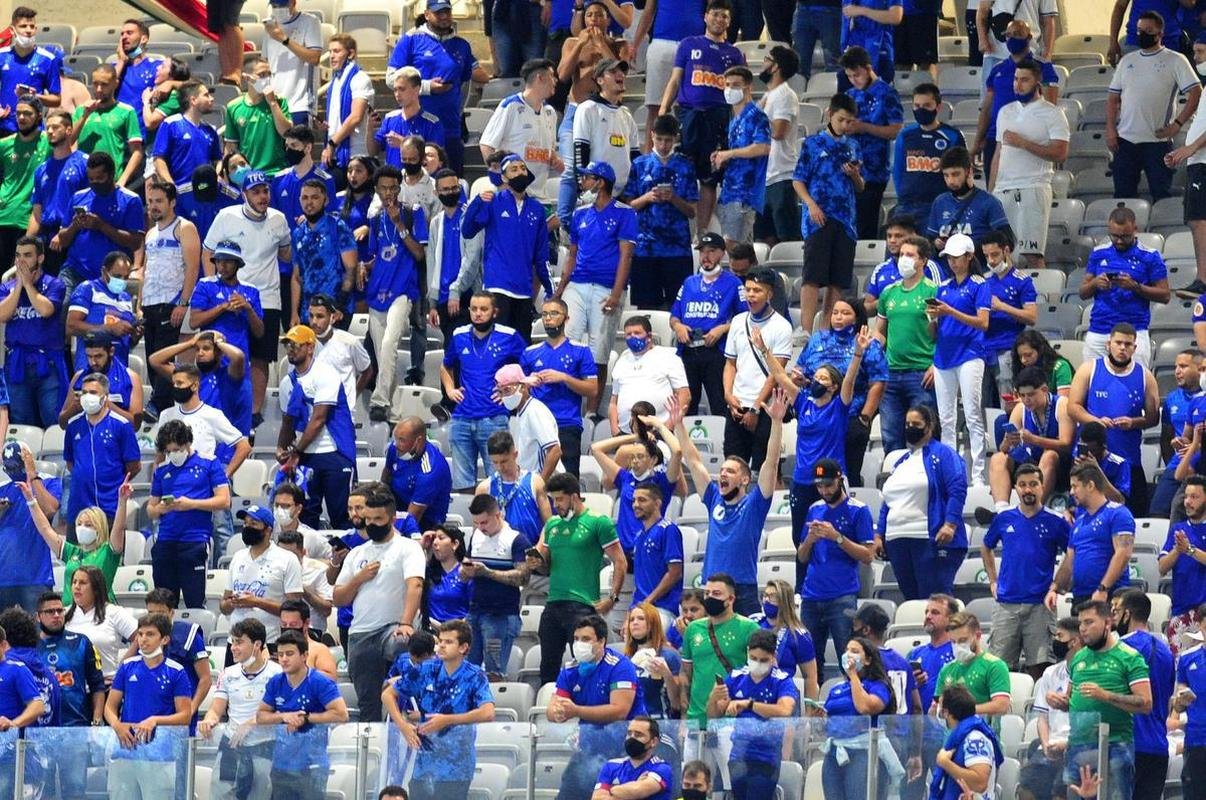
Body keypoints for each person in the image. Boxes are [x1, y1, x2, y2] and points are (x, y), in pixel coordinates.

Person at [679, 389, 788, 614]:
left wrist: (776, 422)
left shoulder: (755, 504)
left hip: (742, 590)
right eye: (721, 471)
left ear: (745, 479)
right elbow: (693, 460)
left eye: (730, 471)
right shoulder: (713, 498)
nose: (723, 475)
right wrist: (679, 425)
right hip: (711, 588)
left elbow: (771, 462)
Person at [204, 170, 292, 420]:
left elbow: (286, 254)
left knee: (261, 356)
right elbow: (208, 250)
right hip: (232, 296)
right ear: (244, 195)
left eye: (265, 191)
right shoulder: (226, 216)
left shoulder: (279, 219)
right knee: (225, 352)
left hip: (267, 298)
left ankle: (254, 412)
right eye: (256, 192)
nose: (263, 196)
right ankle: (223, 404)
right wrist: (215, 288)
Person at [333, 488, 425, 723]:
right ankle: (371, 745)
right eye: (369, 519)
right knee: (368, 702)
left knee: (403, 652)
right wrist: (359, 578)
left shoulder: (408, 547)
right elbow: (339, 598)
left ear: (392, 519)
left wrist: (406, 622)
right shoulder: (357, 553)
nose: (372, 524)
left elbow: (415, 585)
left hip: (393, 627)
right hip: (361, 633)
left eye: (378, 519)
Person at [759, 320, 862, 527]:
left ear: (833, 386)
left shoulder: (839, 407)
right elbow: (780, 375)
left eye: (823, 378)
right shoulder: (803, 403)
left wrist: (858, 354)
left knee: (833, 533)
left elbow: (849, 380)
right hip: (802, 480)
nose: (817, 380)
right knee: (800, 538)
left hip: (831, 480)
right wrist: (764, 350)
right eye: (815, 376)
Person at [527, 473, 627, 684]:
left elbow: (620, 561)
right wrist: (536, 563)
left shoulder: (598, 522)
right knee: (548, 668)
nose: (556, 505)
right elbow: (546, 567)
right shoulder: (552, 525)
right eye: (553, 500)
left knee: (586, 665)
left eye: (560, 499)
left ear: (574, 497)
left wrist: (612, 597)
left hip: (582, 606)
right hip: (553, 603)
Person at [554, 160, 637, 410]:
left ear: (600, 182)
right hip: (577, 285)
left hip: (605, 288)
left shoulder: (625, 212)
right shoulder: (580, 213)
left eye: (588, 178)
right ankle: (566, 405)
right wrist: (559, 291)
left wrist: (616, 294)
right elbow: (571, 255)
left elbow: (626, 256)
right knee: (567, 343)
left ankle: (591, 412)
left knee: (598, 352)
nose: (583, 182)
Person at [382, 619, 496, 800]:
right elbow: (388, 695)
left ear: (463, 647)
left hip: (456, 765)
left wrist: (448, 719)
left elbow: (488, 712)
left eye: (448, 642)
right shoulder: (426, 669)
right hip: (423, 763)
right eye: (440, 641)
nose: (441, 646)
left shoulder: (474, 675)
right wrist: (403, 725)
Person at [655, 0, 744, 232]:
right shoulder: (688, 45)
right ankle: (675, 225)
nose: (719, 19)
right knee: (680, 170)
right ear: (705, 16)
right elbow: (675, 80)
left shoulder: (735, 53)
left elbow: (740, 94)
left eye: (724, 16)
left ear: (729, 21)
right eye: (715, 14)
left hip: (718, 118)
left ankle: (701, 233)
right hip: (689, 115)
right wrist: (663, 111)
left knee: (709, 178)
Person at [980, 464, 1070, 676]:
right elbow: (986, 546)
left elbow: (1073, 554)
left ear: (1042, 486)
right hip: (1006, 604)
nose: (1028, 490)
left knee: (1040, 668)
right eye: (1022, 485)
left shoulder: (1056, 521)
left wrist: (1056, 587)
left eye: (1033, 484)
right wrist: (993, 581)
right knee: (999, 668)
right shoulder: (1003, 518)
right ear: (1015, 488)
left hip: (1040, 605)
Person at [1067, 322, 1161, 515]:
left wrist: (1133, 422)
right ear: (1109, 344)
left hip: (1128, 460)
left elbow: (1153, 418)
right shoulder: (1089, 369)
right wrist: (1095, 421)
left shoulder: (1145, 376)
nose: (1122, 348)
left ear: (1135, 348)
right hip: (1090, 460)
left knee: (1132, 517)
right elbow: (1073, 407)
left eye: (1128, 344)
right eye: (1118, 343)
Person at [876, 404, 968, 600]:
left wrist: (950, 524)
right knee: (912, 601)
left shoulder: (944, 454)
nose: (910, 427)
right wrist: (879, 534)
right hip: (897, 541)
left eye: (916, 424)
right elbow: (887, 502)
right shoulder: (900, 461)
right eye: (907, 424)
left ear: (929, 426)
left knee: (936, 601)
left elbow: (957, 489)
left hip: (929, 539)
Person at [550, 614, 646, 800]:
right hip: (588, 749)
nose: (579, 644)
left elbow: (620, 710)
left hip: (625, 749)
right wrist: (557, 711)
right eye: (576, 639)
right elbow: (552, 709)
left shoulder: (620, 666)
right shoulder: (570, 669)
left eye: (586, 639)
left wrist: (575, 710)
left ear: (602, 641)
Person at [1107, 11, 1201, 201]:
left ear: (1160, 34)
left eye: (1149, 31)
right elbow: (1113, 98)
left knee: (1162, 195)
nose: (1143, 34)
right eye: (1140, 30)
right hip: (1125, 141)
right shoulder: (1127, 61)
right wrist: (1110, 128)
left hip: (1157, 142)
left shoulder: (1175, 60)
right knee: (1123, 197)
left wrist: (1177, 124)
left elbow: (1196, 91)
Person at [1064, 600, 1152, 800]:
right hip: (1078, 745)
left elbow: (1146, 703)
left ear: (1108, 623)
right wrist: (1059, 701)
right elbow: (1070, 698)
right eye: (1081, 624)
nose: (1083, 629)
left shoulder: (1129, 657)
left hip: (1114, 745)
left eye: (1089, 622)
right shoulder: (1078, 658)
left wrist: (1106, 696)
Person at [793, 93, 863, 341]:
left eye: (849, 122)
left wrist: (854, 175)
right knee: (812, 276)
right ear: (829, 114)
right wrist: (811, 205)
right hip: (818, 218)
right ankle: (805, 330)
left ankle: (825, 332)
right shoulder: (812, 144)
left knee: (837, 281)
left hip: (846, 221)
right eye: (841, 119)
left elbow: (860, 187)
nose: (845, 125)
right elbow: (798, 180)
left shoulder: (853, 146)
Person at [988, 59, 1069, 269]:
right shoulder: (1006, 111)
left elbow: (1060, 153)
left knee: (1031, 253)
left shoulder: (1052, 113)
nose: (1018, 84)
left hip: (1033, 186)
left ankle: (1039, 297)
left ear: (1037, 82)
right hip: (1003, 189)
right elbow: (999, 152)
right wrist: (991, 191)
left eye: (1024, 80)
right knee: (1002, 254)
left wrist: (1024, 143)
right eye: (1016, 79)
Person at [441, 293, 527, 490]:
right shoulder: (459, 334)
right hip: (461, 418)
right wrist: (450, 389)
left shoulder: (509, 336)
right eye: (474, 309)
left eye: (484, 309)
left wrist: (512, 392)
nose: (478, 314)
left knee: (499, 483)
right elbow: (446, 366)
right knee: (462, 485)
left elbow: (528, 368)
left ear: (494, 312)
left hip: (494, 418)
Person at [460, 154, 553, 337]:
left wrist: (551, 290)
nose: (520, 172)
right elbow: (468, 231)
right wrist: (476, 202)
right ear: (503, 177)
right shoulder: (493, 202)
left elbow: (541, 255)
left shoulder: (537, 209)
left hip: (524, 291)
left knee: (521, 349)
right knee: (498, 347)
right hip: (497, 287)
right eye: (514, 169)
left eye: (522, 168)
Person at [103, 613, 193, 800]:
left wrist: (155, 720)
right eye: (141, 634)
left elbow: (185, 716)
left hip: (159, 754)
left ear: (165, 639)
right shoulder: (126, 667)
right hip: (125, 751)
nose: (143, 639)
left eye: (150, 634)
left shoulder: (177, 672)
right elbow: (109, 708)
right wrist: (117, 725)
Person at [796, 459, 876, 670]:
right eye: (819, 486)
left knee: (848, 659)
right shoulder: (814, 509)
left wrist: (837, 537)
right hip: (811, 595)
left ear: (840, 479)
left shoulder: (858, 510)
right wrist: (810, 540)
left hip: (842, 595)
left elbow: (868, 555)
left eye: (829, 485)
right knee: (810, 662)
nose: (824, 490)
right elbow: (802, 557)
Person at [276, 325, 358, 528]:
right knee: (305, 516)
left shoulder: (326, 374)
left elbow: (319, 418)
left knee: (342, 515)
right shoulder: (288, 382)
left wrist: (296, 451)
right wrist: (281, 447)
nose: (290, 349)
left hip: (333, 452)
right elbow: (288, 419)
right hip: (305, 456)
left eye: (295, 345)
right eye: (288, 345)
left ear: (310, 347)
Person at [593, 413, 683, 594]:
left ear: (653, 460)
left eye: (640, 456)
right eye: (632, 457)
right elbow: (596, 448)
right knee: (619, 616)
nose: (634, 461)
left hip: (648, 555)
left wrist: (659, 426)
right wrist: (636, 437)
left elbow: (678, 452)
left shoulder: (662, 482)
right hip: (622, 558)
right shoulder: (625, 478)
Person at [256, 630, 350, 800]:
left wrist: (306, 718)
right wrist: (284, 716)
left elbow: (342, 714)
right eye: (281, 654)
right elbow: (261, 716)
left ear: (305, 655)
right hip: (280, 765)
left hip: (312, 765)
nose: (284, 659)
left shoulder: (319, 681)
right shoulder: (276, 682)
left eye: (290, 654)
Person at [706, 628, 799, 799]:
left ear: (773, 656)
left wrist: (749, 704)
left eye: (763, 660)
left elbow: (784, 710)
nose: (757, 663)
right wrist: (714, 698)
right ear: (748, 652)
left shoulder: (782, 680)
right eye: (754, 658)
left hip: (766, 756)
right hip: (738, 755)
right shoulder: (735, 676)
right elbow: (714, 714)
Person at [148, 420, 231, 609]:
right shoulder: (162, 471)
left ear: (187, 443)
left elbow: (224, 500)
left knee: (194, 602)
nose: (173, 455)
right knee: (163, 605)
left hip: (194, 541)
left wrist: (191, 504)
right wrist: (160, 508)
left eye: (176, 449)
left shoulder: (209, 463)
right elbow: (151, 509)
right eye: (168, 452)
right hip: (165, 541)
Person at [197, 618, 282, 800]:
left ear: (257, 644)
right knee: (221, 794)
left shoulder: (277, 674)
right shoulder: (228, 674)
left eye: (239, 642)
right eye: (232, 642)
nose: (233, 647)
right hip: (231, 744)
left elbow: (284, 713)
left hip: (264, 744)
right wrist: (209, 720)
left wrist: (254, 721)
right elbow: (216, 709)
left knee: (261, 796)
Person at [1080, 209, 1171, 369]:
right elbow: (1082, 292)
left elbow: (1165, 295)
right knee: (1094, 383)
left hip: (1134, 331)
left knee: (1135, 384)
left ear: (1135, 229)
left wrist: (1135, 287)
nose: (1119, 241)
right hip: (1099, 330)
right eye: (1114, 236)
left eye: (1125, 236)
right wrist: (1095, 283)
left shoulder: (1150, 256)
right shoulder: (1098, 253)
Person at [625, 114, 699, 310]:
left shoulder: (686, 166)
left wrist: (673, 198)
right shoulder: (639, 164)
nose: (663, 144)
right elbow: (628, 206)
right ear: (651, 136)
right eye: (659, 139)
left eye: (668, 140)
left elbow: (692, 211)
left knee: (680, 306)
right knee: (646, 308)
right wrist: (647, 197)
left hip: (677, 248)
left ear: (675, 138)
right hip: (645, 248)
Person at [667, 233, 746, 414]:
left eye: (712, 251)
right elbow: (674, 316)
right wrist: (678, 326)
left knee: (719, 404)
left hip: (716, 351)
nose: (706, 256)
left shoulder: (733, 283)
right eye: (702, 252)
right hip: (688, 350)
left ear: (722, 254)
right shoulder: (689, 282)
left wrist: (722, 328)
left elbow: (746, 317)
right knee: (686, 406)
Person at [722, 271, 792, 471]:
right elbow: (730, 364)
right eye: (748, 290)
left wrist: (755, 407)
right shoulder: (737, 321)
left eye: (757, 291)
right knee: (733, 467)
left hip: (765, 409)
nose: (751, 295)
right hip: (736, 406)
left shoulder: (781, 327)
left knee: (765, 471)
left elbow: (776, 374)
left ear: (769, 294)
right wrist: (728, 394)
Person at [520, 297, 599, 475]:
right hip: (535, 425)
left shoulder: (581, 350)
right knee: (532, 480)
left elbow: (593, 389)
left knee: (566, 484)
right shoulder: (530, 352)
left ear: (567, 318)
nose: (548, 318)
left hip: (566, 424)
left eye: (554, 313)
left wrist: (564, 378)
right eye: (545, 314)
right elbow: (519, 393)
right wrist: (527, 382)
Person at [972, 19, 1060, 178]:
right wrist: (978, 140)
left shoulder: (1043, 66)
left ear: (1029, 37)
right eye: (1009, 35)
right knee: (995, 189)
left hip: (1029, 138)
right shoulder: (998, 69)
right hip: (995, 137)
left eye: (1018, 34)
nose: (1012, 39)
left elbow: (1050, 106)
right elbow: (987, 109)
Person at [560, 57, 638, 232]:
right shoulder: (587, 108)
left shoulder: (626, 114)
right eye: (613, 71)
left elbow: (635, 158)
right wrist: (584, 188)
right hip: (596, 195)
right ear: (600, 80)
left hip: (622, 197)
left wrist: (632, 190)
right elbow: (580, 151)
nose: (620, 75)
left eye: (622, 71)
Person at [54, 151, 145, 300]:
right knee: (62, 306)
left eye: (100, 178)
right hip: (75, 269)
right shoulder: (78, 197)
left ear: (111, 174)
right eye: (91, 179)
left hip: (112, 276)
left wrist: (101, 226)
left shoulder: (130, 200)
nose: (95, 183)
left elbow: (135, 242)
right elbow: (62, 240)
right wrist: (75, 226)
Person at [1110, 589, 1174, 800]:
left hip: (1126, 745)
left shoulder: (1120, 649)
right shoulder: (1166, 651)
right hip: (1157, 747)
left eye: (1115, 610)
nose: (1112, 616)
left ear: (1127, 614)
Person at [1046, 461, 1136, 610]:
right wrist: (1054, 588)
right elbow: (1069, 561)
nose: (1071, 492)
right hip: (1081, 597)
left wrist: (1103, 588)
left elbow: (1123, 553)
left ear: (1090, 485)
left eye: (1075, 486)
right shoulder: (1078, 522)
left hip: (1110, 596)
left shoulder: (1118, 513)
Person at [24, 476, 127, 605]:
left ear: (100, 528)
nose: (82, 528)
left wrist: (123, 501)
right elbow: (45, 529)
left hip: (100, 613)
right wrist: (31, 501)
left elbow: (118, 528)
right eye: (79, 524)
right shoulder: (72, 552)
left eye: (88, 525)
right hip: (70, 614)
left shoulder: (108, 552)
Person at [460, 494, 531, 677]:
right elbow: (465, 568)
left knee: (494, 672)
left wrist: (487, 572)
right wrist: (465, 572)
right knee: (468, 670)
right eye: (476, 523)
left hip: (501, 614)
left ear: (498, 515)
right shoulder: (476, 536)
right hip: (475, 610)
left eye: (484, 522)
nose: (480, 528)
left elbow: (523, 577)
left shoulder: (516, 539)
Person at [62, 369, 141, 534]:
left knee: (109, 558)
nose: (87, 396)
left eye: (92, 392)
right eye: (84, 392)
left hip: (110, 508)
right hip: (78, 509)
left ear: (105, 396)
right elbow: (70, 463)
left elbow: (134, 466)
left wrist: (111, 481)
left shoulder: (122, 425)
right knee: (75, 559)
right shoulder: (73, 425)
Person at [677, 573, 759, 728]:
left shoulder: (749, 628)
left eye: (716, 594)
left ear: (731, 599)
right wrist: (684, 714)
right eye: (707, 593)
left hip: (732, 718)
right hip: (695, 718)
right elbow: (686, 672)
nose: (710, 598)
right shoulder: (693, 629)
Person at [820, 636, 897, 800]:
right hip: (835, 752)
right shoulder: (837, 688)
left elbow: (865, 708)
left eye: (854, 651)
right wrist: (818, 716)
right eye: (846, 650)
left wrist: (853, 675)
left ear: (868, 660)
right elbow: (827, 721)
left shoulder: (878, 686)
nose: (848, 654)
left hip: (863, 752)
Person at [0, 236, 65, 428]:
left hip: (48, 362)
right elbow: (3, 314)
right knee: (21, 423)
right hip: (16, 363)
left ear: (41, 258)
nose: (21, 261)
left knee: (52, 420)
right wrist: (19, 285)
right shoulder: (7, 286)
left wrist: (28, 284)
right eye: (18, 255)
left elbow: (46, 310)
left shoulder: (55, 284)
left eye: (27, 255)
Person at [840, 46, 903, 240]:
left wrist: (864, 127)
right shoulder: (849, 94)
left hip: (874, 172)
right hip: (849, 169)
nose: (853, 80)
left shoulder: (887, 94)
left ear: (868, 68)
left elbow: (896, 130)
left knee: (865, 228)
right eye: (849, 76)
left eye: (857, 75)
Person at [987, 368, 1074, 506]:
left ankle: (1034, 509)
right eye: (1022, 395)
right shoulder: (1020, 408)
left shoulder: (1062, 404)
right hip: (1029, 461)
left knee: (1049, 455)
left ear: (1044, 390)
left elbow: (1066, 443)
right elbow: (1003, 449)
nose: (1026, 400)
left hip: (1059, 466)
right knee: (998, 458)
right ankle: (1001, 510)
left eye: (1031, 394)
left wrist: (1033, 439)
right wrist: (1008, 441)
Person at [221, 504, 304, 647]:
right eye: (245, 523)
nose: (247, 527)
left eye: (253, 524)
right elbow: (223, 606)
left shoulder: (287, 559)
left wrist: (256, 602)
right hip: (235, 642)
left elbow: (295, 610)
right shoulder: (237, 557)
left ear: (268, 530)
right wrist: (231, 603)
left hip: (271, 641)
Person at [478, 59, 561, 193]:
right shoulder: (510, 106)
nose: (555, 81)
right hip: (512, 193)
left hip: (540, 195)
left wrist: (556, 161)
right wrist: (500, 182)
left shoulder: (550, 113)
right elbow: (486, 145)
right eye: (552, 76)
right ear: (540, 78)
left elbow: (549, 153)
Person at [890, 84, 964, 225]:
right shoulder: (905, 135)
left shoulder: (952, 135)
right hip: (906, 206)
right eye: (917, 106)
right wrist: (904, 196)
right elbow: (897, 170)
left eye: (926, 105)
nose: (921, 110)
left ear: (938, 106)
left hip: (939, 206)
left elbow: (961, 172)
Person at [712, 66, 769, 248]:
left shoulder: (756, 116)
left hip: (745, 192)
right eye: (727, 85)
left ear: (748, 87)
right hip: (730, 190)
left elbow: (763, 147)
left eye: (736, 85)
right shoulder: (734, 119)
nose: (730, 89)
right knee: (739, 248)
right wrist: (723, 157)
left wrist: (730, 153)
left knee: (735, 248)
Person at [751, 46, 801, 247]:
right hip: (765, 175)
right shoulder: (769, 95)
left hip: (782, 175)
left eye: (766, 59)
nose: (763, 63)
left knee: (786, 239)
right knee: (764, 239)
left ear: (775, 66)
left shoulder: (784, 95)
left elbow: (778, 131)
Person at [609, 315, 691, 435]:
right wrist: (615, 430)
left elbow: (684, 395)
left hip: (660, 431)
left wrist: (668, 428)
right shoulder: (622, 360)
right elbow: (613, 402)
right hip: (625, 433)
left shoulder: (668, 356)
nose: (632, 337)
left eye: (637, 333)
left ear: (649, 336)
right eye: (628, 334)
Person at [67, 67, 143, 191]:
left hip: (110, 182)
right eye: (95, 84)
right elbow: (68, 142)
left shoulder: (126, 111)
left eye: (104, 85)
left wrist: (123, 180)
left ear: (115, 84)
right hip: (83, 182)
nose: (99, 89)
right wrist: (85, 115)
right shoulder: (81, 110)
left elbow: (137, 152)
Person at [925, 148, 1013, 253]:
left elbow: (1008, 242)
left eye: (955, 174)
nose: (950, 181)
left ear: (969, 171)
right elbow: (928, 243)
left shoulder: (989, 202)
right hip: (946, 266)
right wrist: (935, 243)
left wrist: (970, 246)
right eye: (946, 175)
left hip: (979, 266)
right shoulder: (939, 202)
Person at [930, 684, 1005, 800]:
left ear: (946, 712)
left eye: (939, 706)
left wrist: (946, 763)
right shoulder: (959, 736)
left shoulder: (974, 738)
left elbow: (980, 783)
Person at [476, 430, 552, 543]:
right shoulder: (484, 489)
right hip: (497, 553)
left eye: (504, 461)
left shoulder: (535, 482)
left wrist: (539, 550)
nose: (500, 467)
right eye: (495, 462)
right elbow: (478, 529)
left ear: (515, 455)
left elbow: (548, 525)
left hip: (531, 551)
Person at [1159, 476, 1206, 651]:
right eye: (1186, 496)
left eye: (1195, 497)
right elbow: (1162, 568)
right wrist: (1177, 550)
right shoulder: (1177, 529)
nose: (1188, 502)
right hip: (1181, 612)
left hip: (1205, 612)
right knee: (1179, 670)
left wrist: (1189, 550)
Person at [382, 417, 452, 530]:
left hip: (424, 521)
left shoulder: (430, 470)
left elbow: (413, 518)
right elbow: (386, 475)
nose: (396, 444)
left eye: (402, 440)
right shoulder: (395, 449)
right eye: (395, 438)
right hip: (397, 505)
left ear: (418, 441)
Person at [223, 59, 291, 173]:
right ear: (246, 77)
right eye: (262, 75)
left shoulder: (279, 101)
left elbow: (287, 132)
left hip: (277, 172)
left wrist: (272, 103)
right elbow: (231, 146)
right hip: (248, 174)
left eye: (269, 74)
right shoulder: (233, 107)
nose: (267, 79)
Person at [367, 68, 444, 168]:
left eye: (402, 89)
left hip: (420, 180)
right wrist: (369, 128)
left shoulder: (432, 123)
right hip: (394, 180)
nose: (397, 94)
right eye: (395, 90)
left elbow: (434, 159)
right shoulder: (390, 119)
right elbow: (373, 151)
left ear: (416, 89)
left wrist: (404, 144)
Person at [262, 0, 323, 126]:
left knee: (297, 144)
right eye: (274, 5)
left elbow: (314, 58)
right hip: (275, 103)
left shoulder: (310, 22)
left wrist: (284, 39)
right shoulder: (269, 26)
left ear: (293, 2)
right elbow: (265, 61)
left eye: (282, 5)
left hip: (300, 104)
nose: (278, 9)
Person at [591, 715, 675, 800]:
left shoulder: (662, 768)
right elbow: (597, 798)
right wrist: (632, 787)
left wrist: (613, 790)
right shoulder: (611, 766)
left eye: (638, 735)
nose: (632, 738)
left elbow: (636, 791)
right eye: (629, 733)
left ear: (653, 742)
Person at [321, 34, 372, 172]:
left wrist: (332, 143)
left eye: (337, 51)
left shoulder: (360, 78)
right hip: (335, 152)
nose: (332, 56)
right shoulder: (335, 81)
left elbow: (356, 117)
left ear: (351, 54)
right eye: (330, 51)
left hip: (355, 154)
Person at [623, 604, 682, 719]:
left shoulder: (669, 656)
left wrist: (666, 673)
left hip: (660, 720)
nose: (635, 622)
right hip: (632, 722)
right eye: (631, 620)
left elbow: (677, 702)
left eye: (641, 618)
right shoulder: (626, 658)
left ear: (653, 624)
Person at [1173, 605, 1206, 793]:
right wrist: (1181, 701)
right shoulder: (1187, 659)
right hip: (1196, 740)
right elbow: (1178, 706)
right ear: (1199, 625)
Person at [279, 596, 338, 677]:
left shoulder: (319, 649)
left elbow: (331, 678)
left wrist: (302, 670)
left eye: (293, 624)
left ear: (306, 623)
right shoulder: (275, 649)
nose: (288, 628)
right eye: (284, 624)